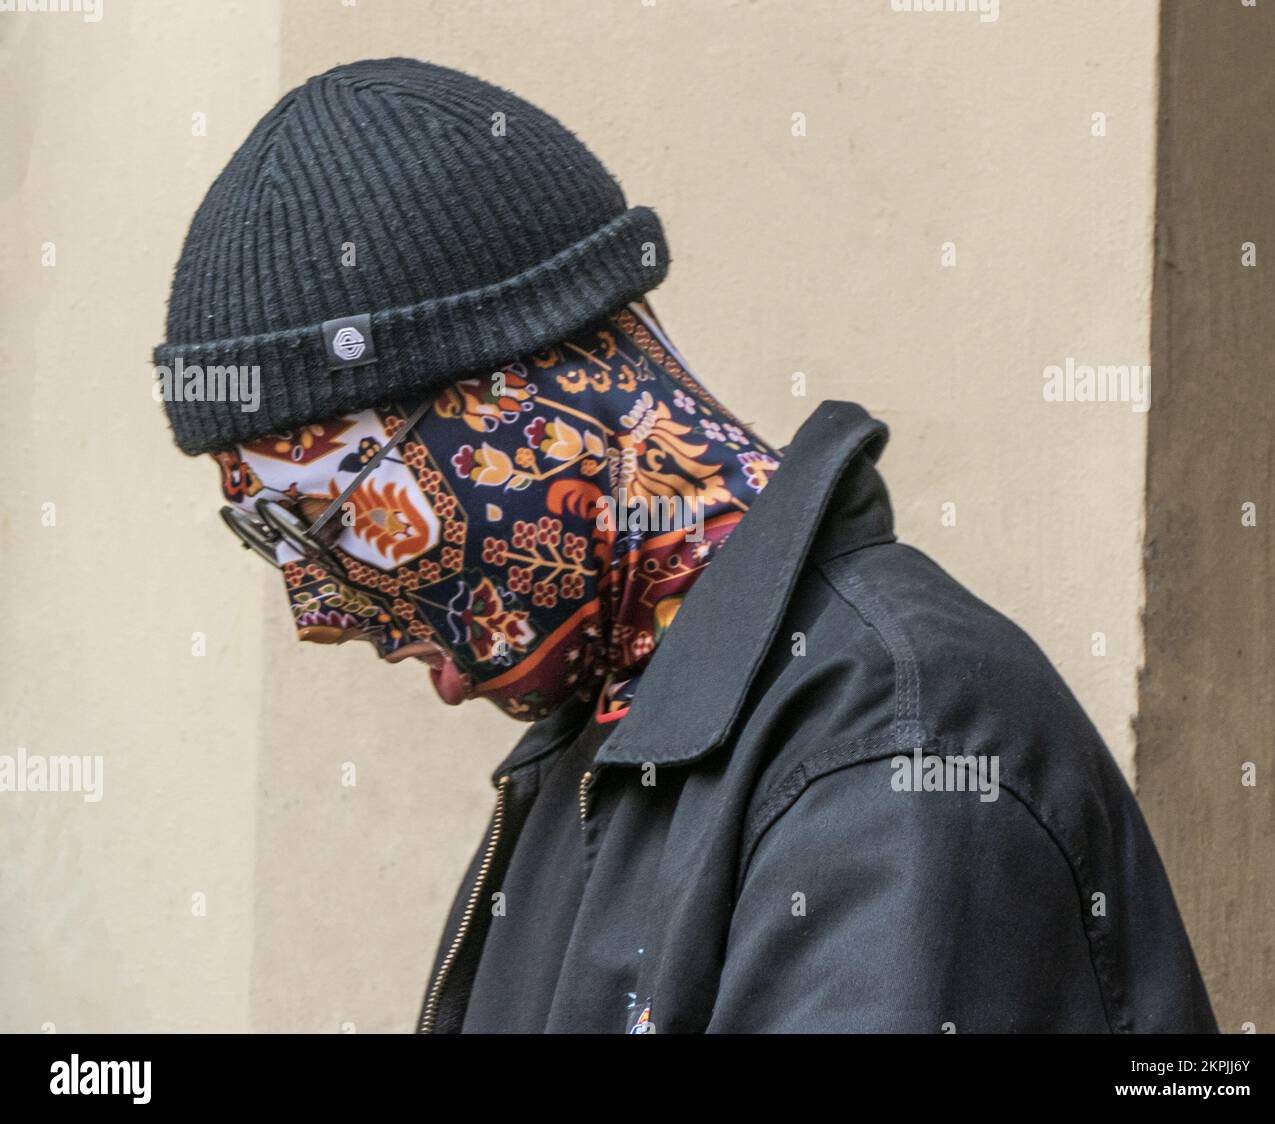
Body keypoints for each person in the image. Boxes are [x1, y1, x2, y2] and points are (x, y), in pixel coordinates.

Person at [153, 57, 1217, 1033]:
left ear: (526, 407)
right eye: (263, 537)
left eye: (326, 521)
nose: (314, 610)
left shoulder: (904, 738)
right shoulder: (603, 753)